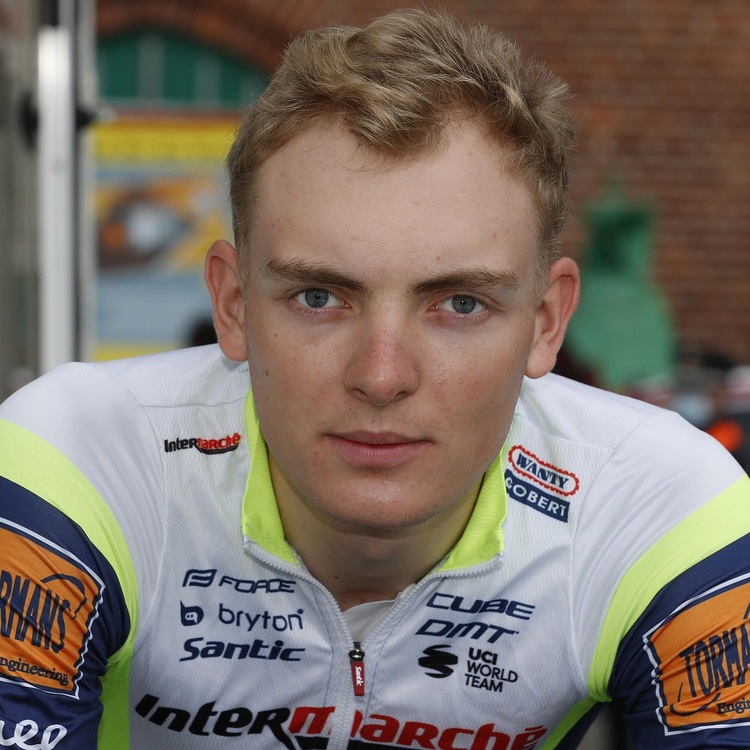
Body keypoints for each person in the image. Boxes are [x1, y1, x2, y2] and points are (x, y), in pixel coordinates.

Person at [0, 9, 748, 749]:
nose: (382, 377)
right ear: (233, 304)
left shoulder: (662, 507)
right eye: (318, 297)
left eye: (460, 303)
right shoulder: (79, 460)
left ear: (546, 322)